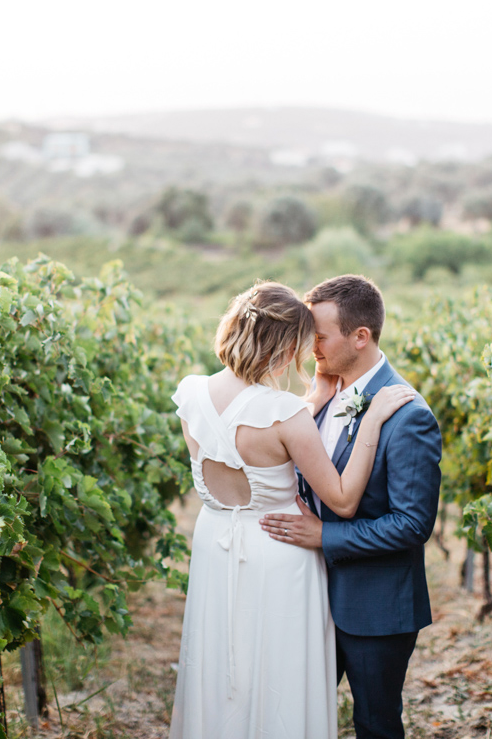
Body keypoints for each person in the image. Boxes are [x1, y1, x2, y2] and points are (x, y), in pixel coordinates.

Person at [168, 281, 416, 739]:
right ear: (283, 346)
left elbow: (243, 431)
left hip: (216, 548)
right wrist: (373, 421)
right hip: (277, 552)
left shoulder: (192, 396)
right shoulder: (286, 414)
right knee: (277, 676)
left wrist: (310, 405)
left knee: (224, 670)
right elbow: (341, 498)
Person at [260, 274, 443, 739]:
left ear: (360, 337)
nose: (310, 348)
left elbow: (411, 525)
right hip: (311, 593)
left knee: (374, 724)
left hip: (374, 605)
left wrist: (326, 536)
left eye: (319, 337)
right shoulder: (325, 394)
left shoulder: (408, 415)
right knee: (296, 713)